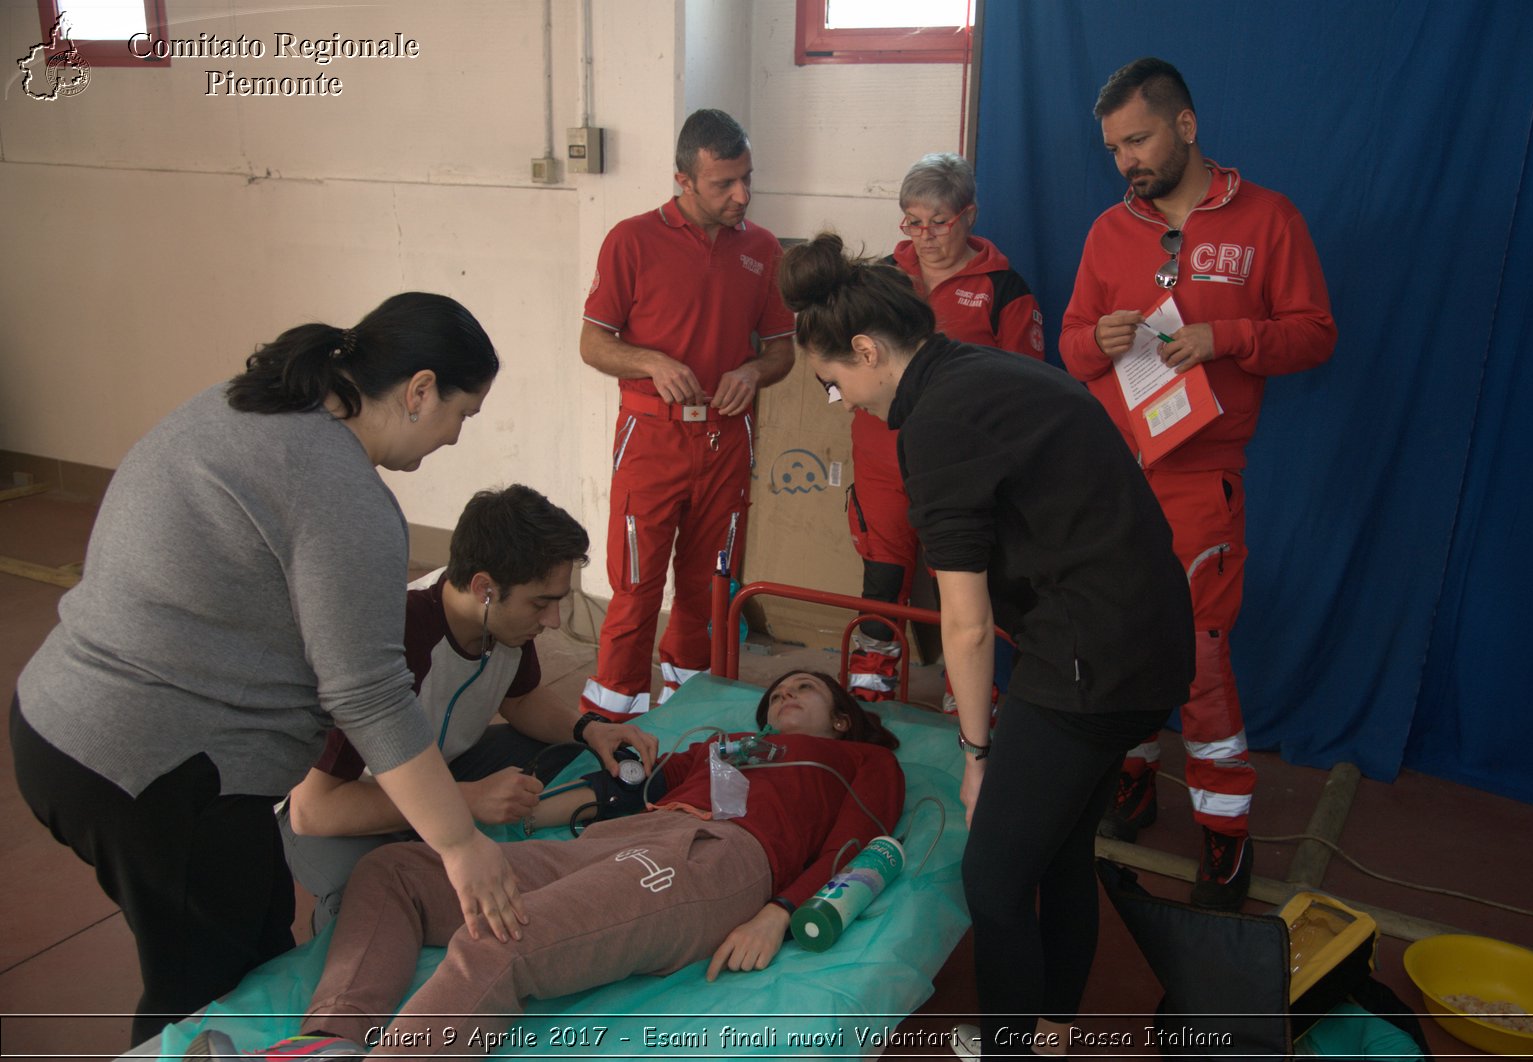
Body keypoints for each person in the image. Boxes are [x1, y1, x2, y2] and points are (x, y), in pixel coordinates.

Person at [9, 293, 526, 1046]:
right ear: (419, 391)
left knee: (259, 955)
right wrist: (460, 845)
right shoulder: (341, 491)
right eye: (461, 414)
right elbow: (370, 695)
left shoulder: (245, 406)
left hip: (62, 722)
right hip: (154, 767)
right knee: (201, 1003)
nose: (454, 437)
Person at [779, 233, 1192, 1059]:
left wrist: (976, 756)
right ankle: (1050, 1031)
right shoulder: (985, 374)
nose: (842, 401)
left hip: (1087, 662)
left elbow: (963, 624)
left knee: (995, 879)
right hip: (1144, 644)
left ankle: (1007, 1049)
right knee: (1061, 846)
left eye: (834, 383)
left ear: (866, 350)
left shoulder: (935, 425)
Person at [187, 670, 903, 1059]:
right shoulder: (723, 745)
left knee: (502, 943)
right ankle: (325, 1043)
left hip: (713, 862)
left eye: (803, 690)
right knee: (397, 871)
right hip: (622, 841)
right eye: (775, 692)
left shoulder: (859, 760)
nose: (783, 696)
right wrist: (534, 809)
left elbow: (860, 843)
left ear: (841, 716)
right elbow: (623, 789)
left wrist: (781, 911)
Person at [1060, 57, 1337, 909]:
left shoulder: (1268, 219)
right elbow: (1068, 349)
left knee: (1199, 659)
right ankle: (1134, 778)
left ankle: (1224, 834)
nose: (1125, 161)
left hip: (1199, 478)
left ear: (1185, 125)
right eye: (1113, 148)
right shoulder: (1109, 230)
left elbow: (1315, 335)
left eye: (1137, 139)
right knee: (1117, 645)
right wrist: (1099, 340)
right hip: (1113, 481)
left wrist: (1226, 339)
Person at [279, 485, 659, 931]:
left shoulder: (502, 623)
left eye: (559, 601)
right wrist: (465, 802)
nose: (553, 621)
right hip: (344, 802)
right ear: (484, 589)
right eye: (541, 603)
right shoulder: (390, 641)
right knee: (367, 896)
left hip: (442, 768)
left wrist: (589, 730)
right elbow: (313, 809)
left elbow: (519, 699)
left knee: (565, 755)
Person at [578, 107, 796, 716]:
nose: (742, 195)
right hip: (651, 441)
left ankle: (688, 710)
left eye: (746, 178)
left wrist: (752, 371)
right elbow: (593, 343)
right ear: (684, 179)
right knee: (637, 590)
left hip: (728, 443)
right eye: (724, 183)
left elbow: (782, 352)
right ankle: (611, 720)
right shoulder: (631, 239)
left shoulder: (764, 249)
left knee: (708, 588)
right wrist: (651, 362)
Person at [845, 152, 1047, 706]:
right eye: (912, 220)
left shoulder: (1005, 287)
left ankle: (969, 699)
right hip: (881, 461)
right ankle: (867, 697)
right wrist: (842, 392)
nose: (925, 235)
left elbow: (1028, 387)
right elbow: (836, 351)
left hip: (960, 471)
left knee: (964, 586)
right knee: (882, 581)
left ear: (970, 215)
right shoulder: (881, 276)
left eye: (939, 221)